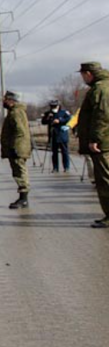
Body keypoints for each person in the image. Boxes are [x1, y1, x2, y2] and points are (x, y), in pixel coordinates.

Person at [76, 62, 109, 228]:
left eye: (82, 75)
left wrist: (95, 138)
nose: (82, 78)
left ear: (89, 73)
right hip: (105, 140)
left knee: (105, 179)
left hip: (103, 143)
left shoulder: (100, 89)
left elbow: (102, 115)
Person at [0, 90, 31, 209]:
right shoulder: (16, 111)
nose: (3, 102)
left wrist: (14, 147)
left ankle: (23, 199)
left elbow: (20, 131)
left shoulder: (15, 112)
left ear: (11, 101)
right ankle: (23, 198)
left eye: (5, 99)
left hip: (18, 148)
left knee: (19, 172)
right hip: (19, 146)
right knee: (18, 171)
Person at [41, 99, 73, 173]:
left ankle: (66, 167)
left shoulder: (64, 112)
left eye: (54, 106)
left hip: (62, 134)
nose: (53, 108)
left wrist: (60, 120)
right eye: (52, 106)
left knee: (64, 152)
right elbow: (43, 122)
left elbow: (69, 119)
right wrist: (48, 118)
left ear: (58, 106)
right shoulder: (48, 113)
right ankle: (55, 168)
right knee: (54, 152)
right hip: (53, 135)